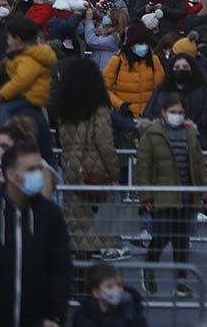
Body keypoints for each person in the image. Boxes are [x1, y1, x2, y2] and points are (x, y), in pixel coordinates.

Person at [0, 142, 72, 327]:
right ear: (10, 174)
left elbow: (61, 268)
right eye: (31, 169)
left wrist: (55, 316)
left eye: (39, 168)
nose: (38, 175)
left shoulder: (50, 215)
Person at [136, 93, 207, 297]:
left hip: (186, 196)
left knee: (181, 241)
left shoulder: (190, 134)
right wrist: (146, 196)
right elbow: (143, 168)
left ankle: (181, 282)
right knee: (161, 236)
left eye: (180, 112)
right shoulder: (152, 135)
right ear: (163, 112)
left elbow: (199, 165)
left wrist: (206, 193)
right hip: (162, 195)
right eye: (173, 112)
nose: (176, 116)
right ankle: (149, 269)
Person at [55, 57, 126, 261]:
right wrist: (114, 172)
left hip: (72, 169)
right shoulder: (99, 108)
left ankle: (79, 281)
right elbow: (105, 143)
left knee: (77, 226)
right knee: (100, 225)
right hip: (96, 172)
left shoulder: (63, 108)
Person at [0, 16, 58, 162]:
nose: (7, 40)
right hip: (32, 102)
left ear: (17, 38)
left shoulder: (27, 58)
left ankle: (5, 134)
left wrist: (2, 94)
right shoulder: (28, 55)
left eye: (9, 37)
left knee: (6, 109)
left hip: (28, 99)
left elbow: (21, 80)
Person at [104, 24, 165, 119]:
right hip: (125, 116)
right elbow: (104, 89)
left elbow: (161, 89)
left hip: (149, 117)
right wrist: (121, 105)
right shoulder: (117, 61)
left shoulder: (154, 60)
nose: (143, 46)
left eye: (145, 43)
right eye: (139, 43)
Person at [72, 262, 147, 327]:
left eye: (119, 285)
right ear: (96, 292)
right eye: (109, 286)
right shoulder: (83, 317)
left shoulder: (133, 315)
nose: (116, 290)